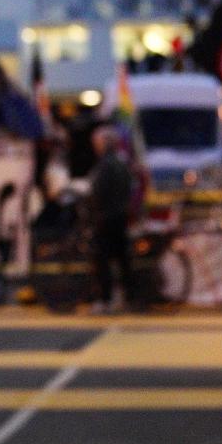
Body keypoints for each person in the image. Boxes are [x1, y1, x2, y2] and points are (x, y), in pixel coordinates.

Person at [87, 124, 134, 313]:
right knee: (122, 259)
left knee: (102, 259)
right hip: (121, 216)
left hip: (105, 218)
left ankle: (105, 299)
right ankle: (127, 297)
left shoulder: (105, 165)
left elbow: (98, 192)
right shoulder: (122, 163)